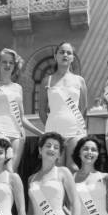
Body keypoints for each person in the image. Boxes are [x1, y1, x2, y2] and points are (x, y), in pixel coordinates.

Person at [0, 48, 41, 171]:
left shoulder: (18, 88)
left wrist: (41, 134)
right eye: (4, 62)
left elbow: (22, 117)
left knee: (11, 171)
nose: (8, 65)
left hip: (16, 132)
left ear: (15, 65)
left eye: (11, 62)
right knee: (0, 169)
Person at [38, 42, 88, 172]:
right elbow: (42, 111)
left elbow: (84, 108)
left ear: (72, 57)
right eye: (61, 52)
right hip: (54, 131)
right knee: (56, 169)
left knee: (74, 167)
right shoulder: (46, 81)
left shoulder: (79, 80)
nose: (65, 55)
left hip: (75, 131)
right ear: (55, 56)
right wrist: (51, 127)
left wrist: (76, 123)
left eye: (69, 53)